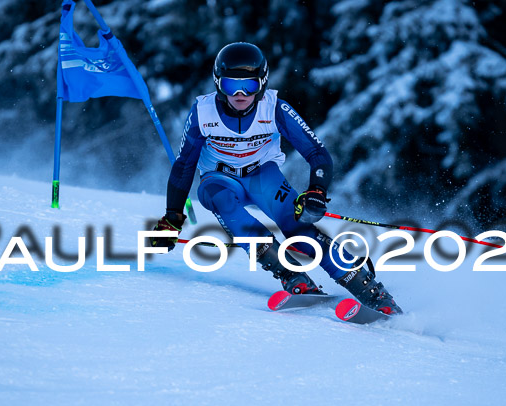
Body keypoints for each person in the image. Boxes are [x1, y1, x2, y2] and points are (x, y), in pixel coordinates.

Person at [151, 42, 401, 315]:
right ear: (217, 83)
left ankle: (371, 292)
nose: (240, 94)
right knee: (220, 199)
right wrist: (172, 218)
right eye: (230, 85)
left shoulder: (275, 108)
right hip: (220, 178)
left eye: (249, 85)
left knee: (299, 231)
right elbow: (184, 165)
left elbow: (317, 152)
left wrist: (316, 191)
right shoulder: (204, 112)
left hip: (262, 175)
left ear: (262, 82)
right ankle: (293, 276)